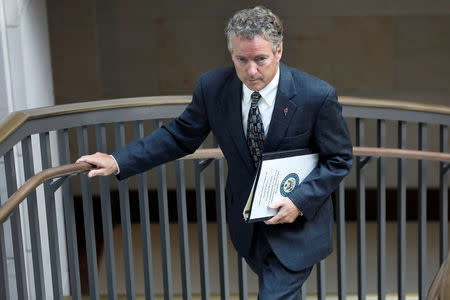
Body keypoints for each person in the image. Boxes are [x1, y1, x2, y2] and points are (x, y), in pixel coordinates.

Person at [77, 6, 353, 299]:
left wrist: (298, 201)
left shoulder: (316, 96)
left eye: (260, 59)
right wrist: (118, 160)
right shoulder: (213, 88)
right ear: (231, 53)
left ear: (279, 51)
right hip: (249, 227)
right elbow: (179, 136)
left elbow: (339, 159)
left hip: (298, 227)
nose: (251, 71)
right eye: (241, 59)